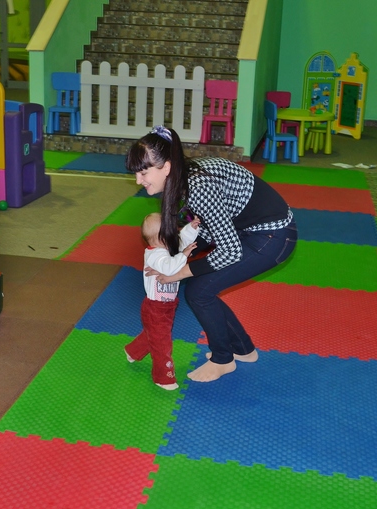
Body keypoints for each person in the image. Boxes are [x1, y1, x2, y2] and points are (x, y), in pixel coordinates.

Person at [125, 125, 298, 383]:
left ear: (166, 167)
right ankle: (243, 349)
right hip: (251, 231)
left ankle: (223, 359)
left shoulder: (198, 186)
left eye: (143, 172)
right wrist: (171, 262)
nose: (139, 181)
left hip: (274, 236)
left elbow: (229, 250)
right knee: (200, 287)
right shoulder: (185, 178)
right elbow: (208, 227)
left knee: (199, 291)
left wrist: (178, 274)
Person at [124, 212, 199, 390]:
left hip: (168, 306)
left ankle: (133, 351)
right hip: (155, 308)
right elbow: (170, 268)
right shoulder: (155, 255)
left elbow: (182, 241)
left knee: (153, 335)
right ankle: (163, 377)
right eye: (170, 230)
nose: (175, 232)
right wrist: (184, 255)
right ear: (161, 237)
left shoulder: (167, 248)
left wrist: (191, 228)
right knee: (162, 343)